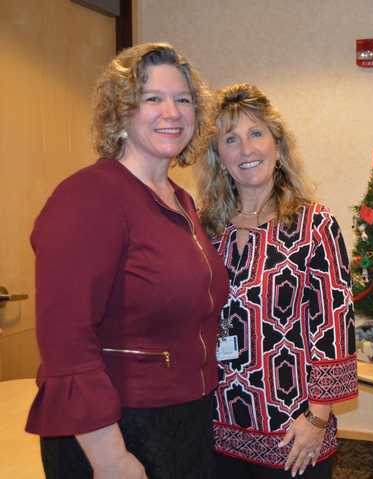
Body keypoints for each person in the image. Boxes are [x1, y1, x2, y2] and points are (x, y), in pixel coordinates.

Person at [25, 43, 229, 479]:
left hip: (183, 420)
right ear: (121, 111)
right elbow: (66, 343)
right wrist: (110, 458)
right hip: (115, 429)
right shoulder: (89, 197)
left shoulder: (181, 201)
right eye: (151, 98)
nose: (171, 112)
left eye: (183, 99)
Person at [198, 83, 357, 478]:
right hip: (215, 429)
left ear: (277, 144)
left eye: (256, 134)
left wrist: (318, 421)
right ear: (219, 156)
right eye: (230, 139)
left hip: (291, 432)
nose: (246, 149)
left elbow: (335, 328)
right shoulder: (205, 228)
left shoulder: (314, 224)